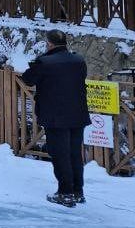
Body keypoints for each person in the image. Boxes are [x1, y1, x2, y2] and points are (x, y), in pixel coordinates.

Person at [21, 28, 89, 207]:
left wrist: (36, 63)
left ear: (49, 44)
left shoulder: (45, 62)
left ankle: (65, 192)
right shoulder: (78, 60)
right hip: (78, 113)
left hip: (55, 115)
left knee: (60, 154)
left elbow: (28, 79)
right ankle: (78, 191)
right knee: (75, 153)